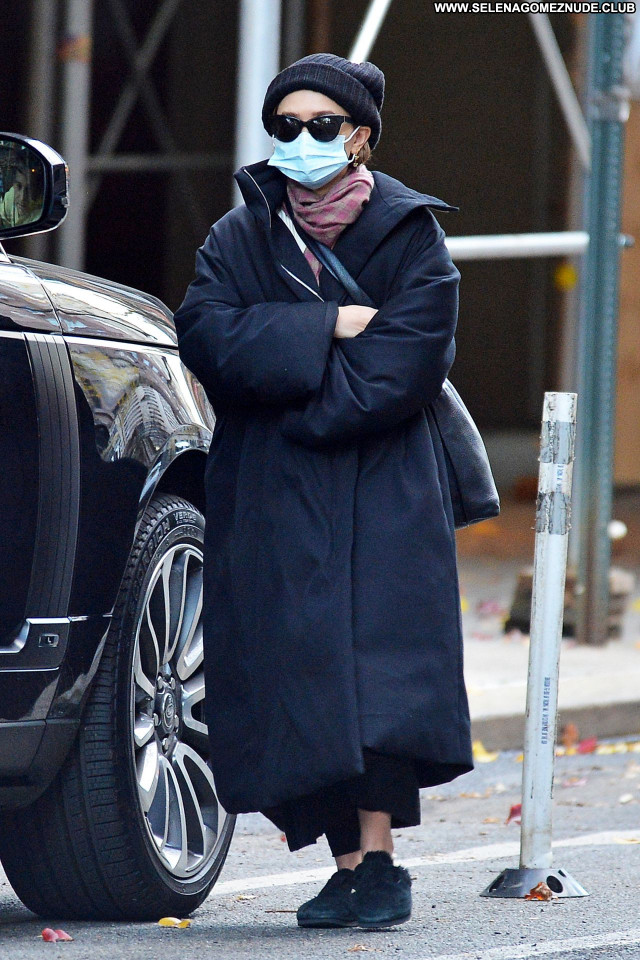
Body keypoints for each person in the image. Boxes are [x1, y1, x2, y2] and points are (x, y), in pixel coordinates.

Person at [173, 52, 474, 930]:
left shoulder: (412, 233)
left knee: (376, 677)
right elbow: (205, 335)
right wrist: (326, 325)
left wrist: (297, 405)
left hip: (385, 491)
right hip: (272, 498)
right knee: (293, 676)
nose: (301, 140)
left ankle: (379, 862)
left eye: (321, 125)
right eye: (285, 126)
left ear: (361, 136)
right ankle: (346, 863)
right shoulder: (239, 234)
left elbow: (412, 356)